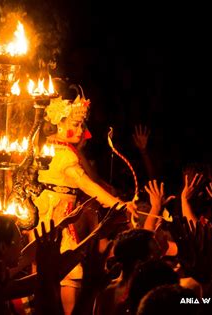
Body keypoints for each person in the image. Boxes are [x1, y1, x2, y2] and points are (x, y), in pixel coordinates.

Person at [33, 90, 136, 314]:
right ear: (59, 125)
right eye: (76, 125)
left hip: (57, 212)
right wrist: (118, 204)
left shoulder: (57, 150)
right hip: (52, 214)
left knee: (59, 268)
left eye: (82, 125)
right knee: (70, 270)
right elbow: (86, 184)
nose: (81, 132)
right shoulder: (62, 154)